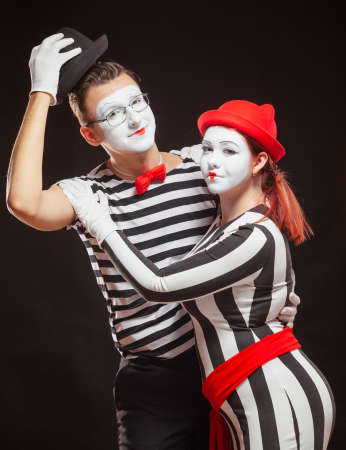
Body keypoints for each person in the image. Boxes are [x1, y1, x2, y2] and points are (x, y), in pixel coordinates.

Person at [6, 32, 299, 450]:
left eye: (137, 101)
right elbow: (23, 202)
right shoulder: (87, 195)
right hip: (155, 383)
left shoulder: (205, 163)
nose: (132, 118)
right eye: (112, 115)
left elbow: (262, 217)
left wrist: (276, 291)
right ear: (91, 136)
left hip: (229, 358)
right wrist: (42, 93)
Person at [62, 100, 336, 450]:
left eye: (229, 151)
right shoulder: (225, 225)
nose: (213, 160)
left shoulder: (253, 234)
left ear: (259, 162)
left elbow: (158, 285)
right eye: (207, 148)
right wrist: (283, 297)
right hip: (236, 397)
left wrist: (99, 222)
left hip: (275, 397)